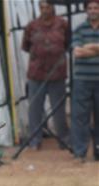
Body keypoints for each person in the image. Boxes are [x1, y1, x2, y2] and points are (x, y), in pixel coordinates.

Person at [22, 1, 71, 150]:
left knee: (59, 110)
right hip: (36, 74)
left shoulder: (63, 24)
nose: (45, 10)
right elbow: (25, 46)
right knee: (35, 109)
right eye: (42, 7)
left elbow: (68, 43)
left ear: (53, 7)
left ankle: (64, 139)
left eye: (48, 7)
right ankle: (35, 140)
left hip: (57, 74)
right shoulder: (32, 26)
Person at [71, 0, 99, 162]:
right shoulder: (79, 29)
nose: (93, 10)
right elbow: (77, 52)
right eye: (90, 8)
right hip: (82, 80)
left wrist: (89, 47)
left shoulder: (81, 33)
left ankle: (98, 152)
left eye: (96, 7)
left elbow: (83, 50)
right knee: (80, 117)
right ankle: (80, 152)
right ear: (86, 10)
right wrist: (97, 48)